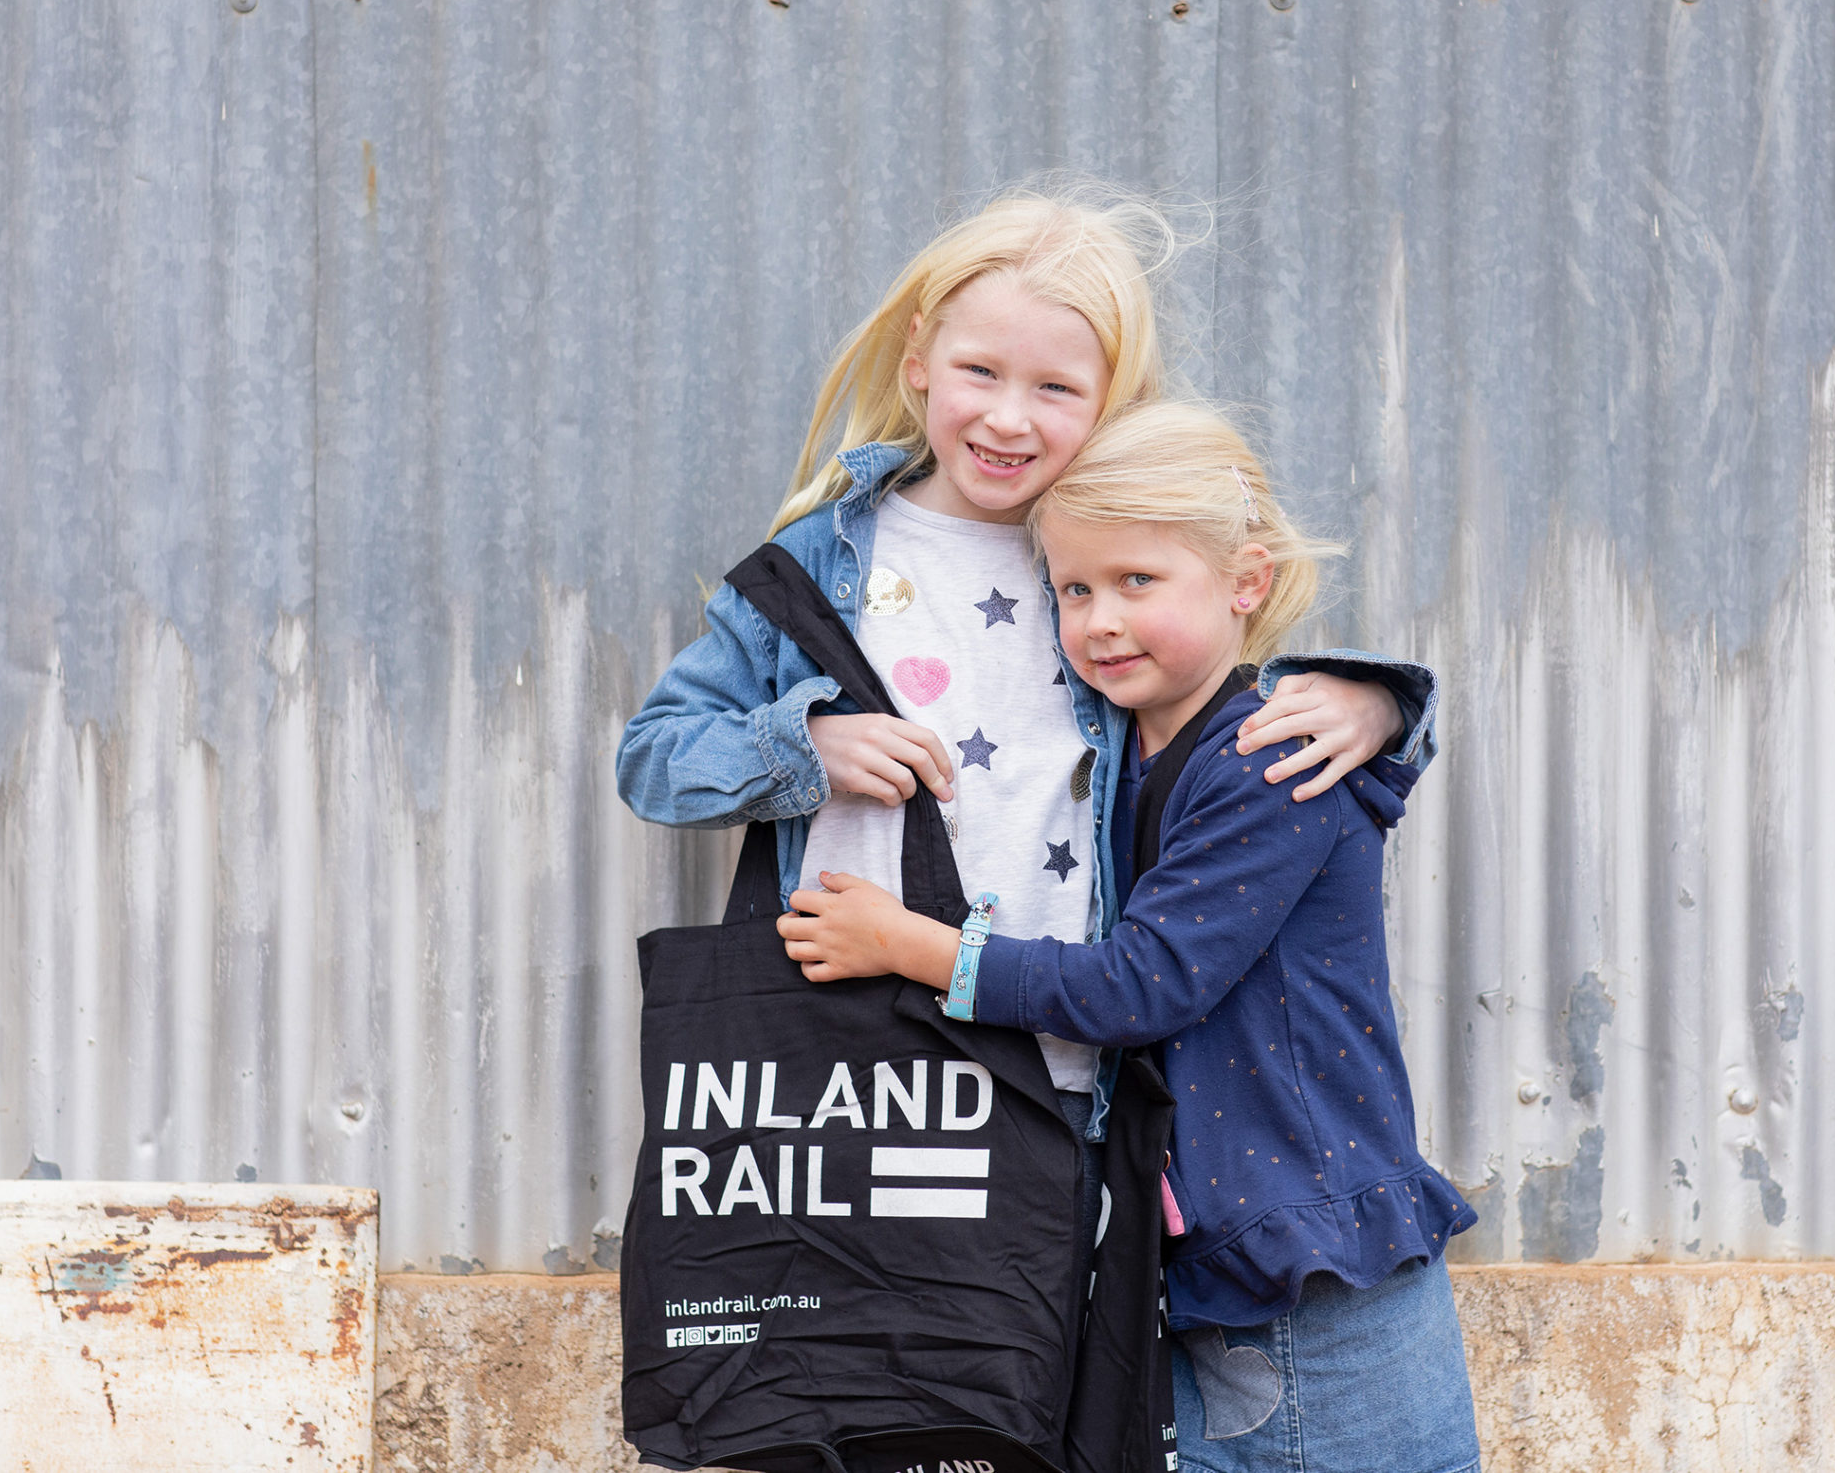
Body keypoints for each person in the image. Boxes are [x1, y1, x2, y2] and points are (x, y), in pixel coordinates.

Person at [614, 182, 1437, 1141]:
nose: (1010, 419)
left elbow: (1219, 695)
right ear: (919, 359)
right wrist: (805, 747)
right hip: (839, 1058)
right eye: (980, 371)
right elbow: (653, 757)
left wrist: (1375, 703)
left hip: (1059, 1068)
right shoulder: (820, 563)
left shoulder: (1112, 554)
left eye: (1055, 388)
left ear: (1111, 398)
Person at [772, 399, 1482, 1473]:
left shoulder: (1266, 756)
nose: (1100, 620)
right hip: (1215, 1257)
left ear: (1244, 584)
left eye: (1137, 583)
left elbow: (1143, 984)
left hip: (1307, 1260)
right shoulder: (1134, 753)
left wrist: (909, 944)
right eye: (1073, 588)